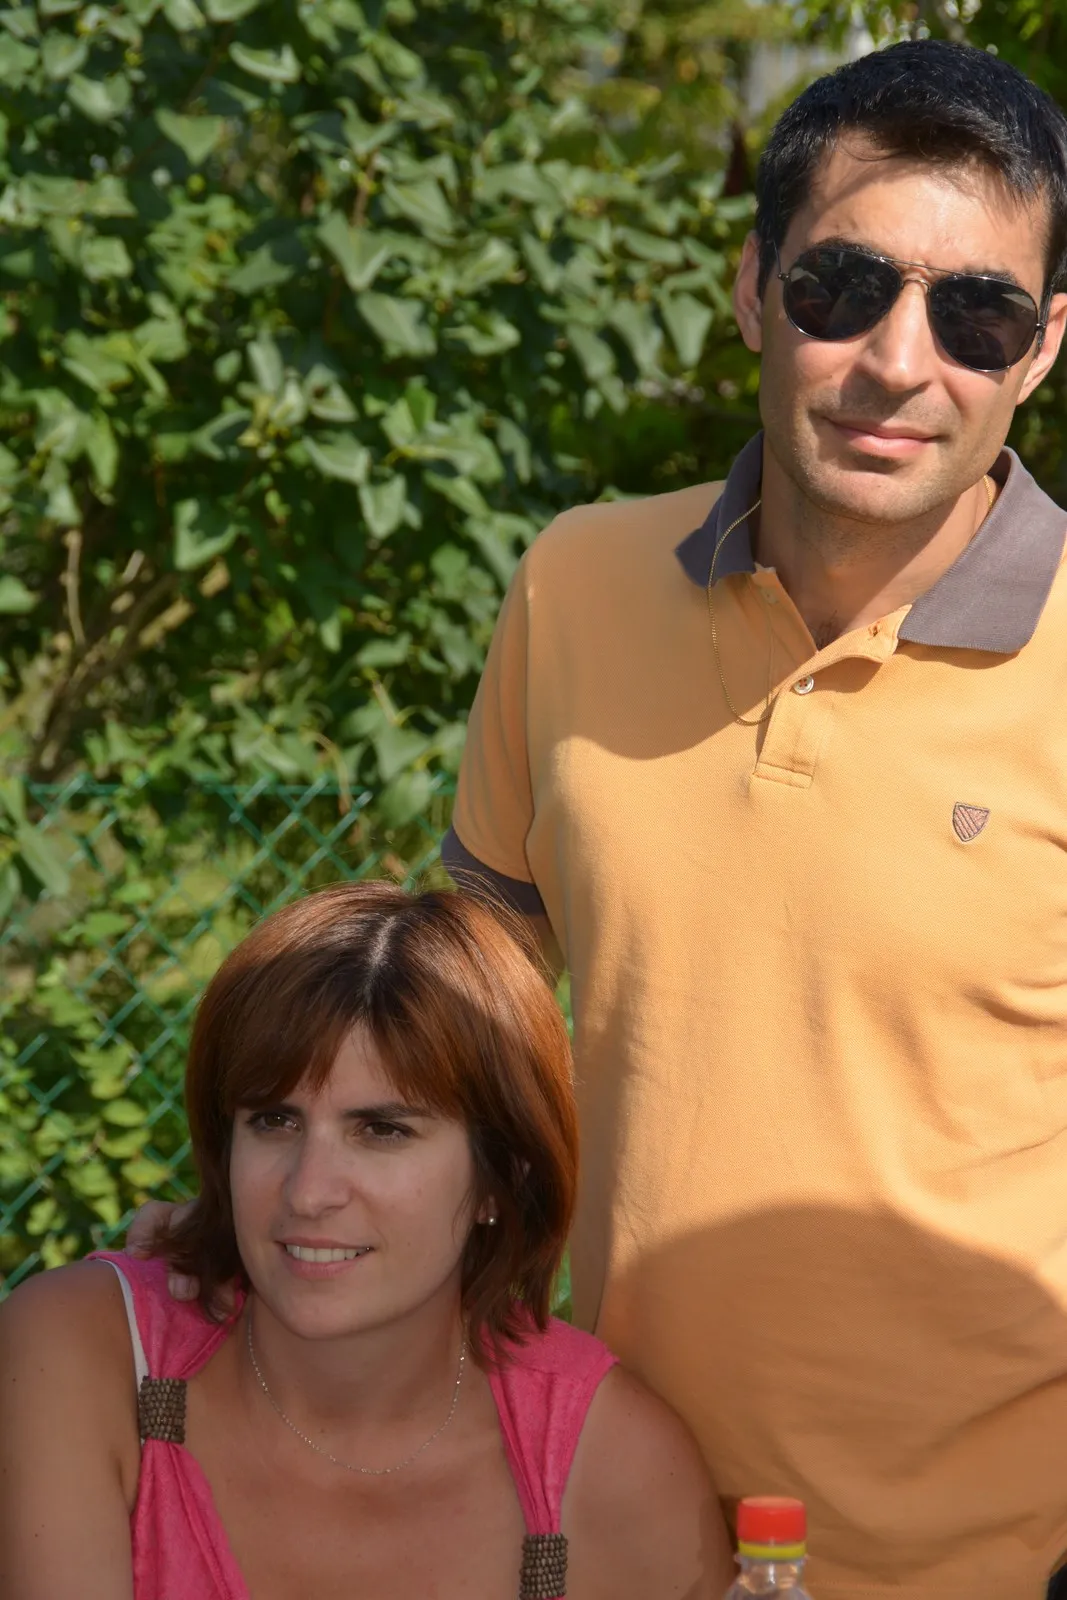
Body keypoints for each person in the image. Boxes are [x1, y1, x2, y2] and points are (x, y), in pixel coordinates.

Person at [125, 36, 1067, 1599]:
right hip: (602, 1520)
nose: (899, 363)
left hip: (987, 1563)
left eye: (974, 314)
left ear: (1038, 348)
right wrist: (277, 1210)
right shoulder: (576, 582)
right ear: (751, 288)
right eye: (841, 288)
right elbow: (455, 1030)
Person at [0, 883, 733, 1600]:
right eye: (274, 1121)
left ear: (501, 1174)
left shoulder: (607, 1465)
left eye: (382, 1130)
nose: (308, 1191)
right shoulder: (81, 1353)